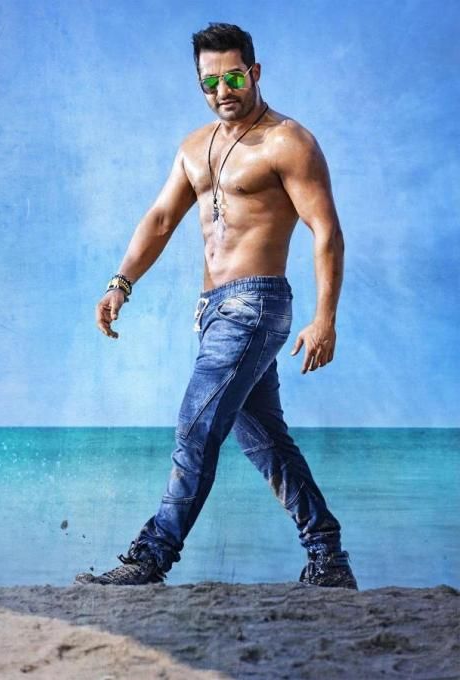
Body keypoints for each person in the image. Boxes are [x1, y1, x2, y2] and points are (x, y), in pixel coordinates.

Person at [74, 22, 358, 589]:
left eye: (233, 78)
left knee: (195, 427)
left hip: (256, 304)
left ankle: (151, 556)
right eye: (210, 82)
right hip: (212, 311)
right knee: (266, 442)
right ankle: (328, 556)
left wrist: (325, 318)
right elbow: (161, 219)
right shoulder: (194, 147)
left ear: (254, 72)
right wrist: (120, 282)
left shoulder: (288, 142)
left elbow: (326, 230)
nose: (223, 90)